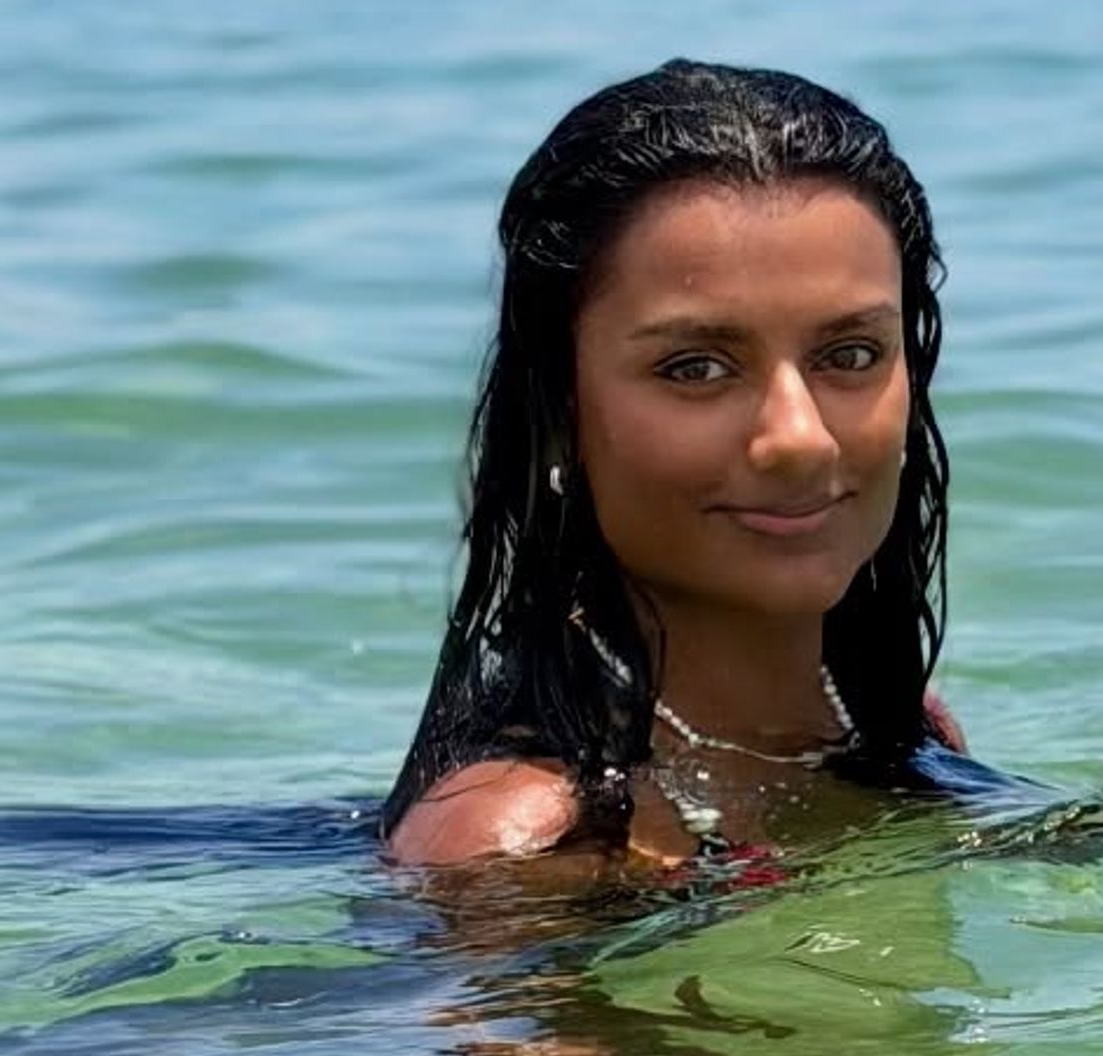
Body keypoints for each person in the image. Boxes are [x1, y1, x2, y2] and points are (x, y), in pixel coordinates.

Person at [382, 59, 969, 868]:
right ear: (560, 414)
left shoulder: (904, 729)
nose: (799, 437)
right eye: (696, 368)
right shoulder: (533, 842)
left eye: (852, 353)